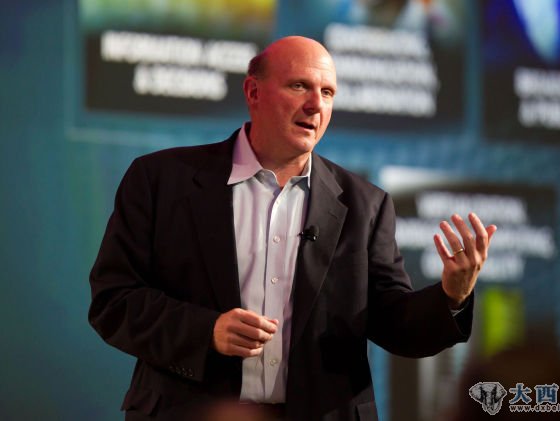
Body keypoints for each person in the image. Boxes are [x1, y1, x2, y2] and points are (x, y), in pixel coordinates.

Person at [89, 36, 496, 420]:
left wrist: (452, 295)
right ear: (253, 92)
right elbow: (115, 300)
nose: (316, 105)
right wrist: (206, 331)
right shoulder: (162, 180)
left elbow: (396, 326)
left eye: (328, 92)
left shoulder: (365, 205)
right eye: (299, 86)